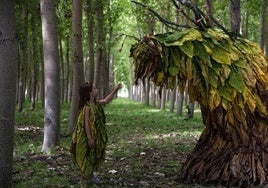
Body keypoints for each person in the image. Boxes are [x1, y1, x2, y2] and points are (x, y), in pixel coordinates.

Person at [71, 82, 122, 183]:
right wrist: (90, 138)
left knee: (93, 155)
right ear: (90, 93)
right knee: (86, 156)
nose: (97, 89)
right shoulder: (87, 107)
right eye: (94, 88)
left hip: (96, 136)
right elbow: (86, 124)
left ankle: (90, 176)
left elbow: (106, 100)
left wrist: (115, 90)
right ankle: (85, 177)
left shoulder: (96, 103)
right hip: (86, 137)